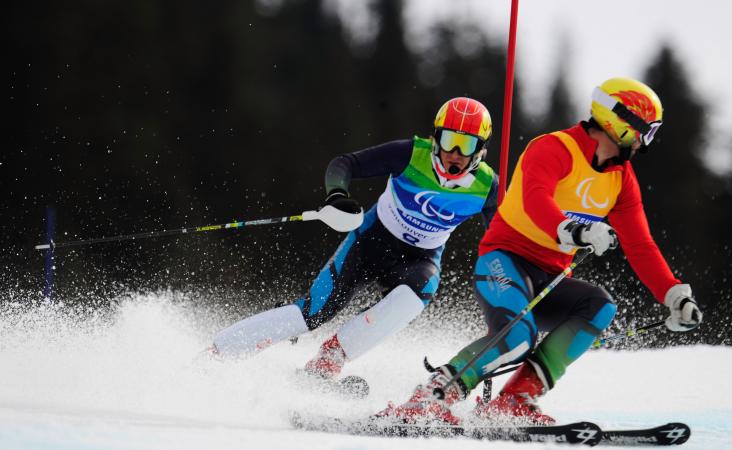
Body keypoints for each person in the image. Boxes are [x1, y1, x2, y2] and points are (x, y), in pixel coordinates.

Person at [378, 77, 704, 426]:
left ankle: (516, 399)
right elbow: (536, 198)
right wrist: (574, 230)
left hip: (550, 276)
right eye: (646, 131)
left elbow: (640, 244)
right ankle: (430, 398)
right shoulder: (554, 148)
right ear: (620, 122)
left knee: (598, 307)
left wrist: (672, 294)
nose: (645, 142)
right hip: (504, 261)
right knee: (518, 337)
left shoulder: (621, 179)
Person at [211, 97, 499, 383]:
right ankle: (217, 354)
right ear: (435, 137)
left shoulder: (487, 187)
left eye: (468, 144)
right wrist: (337, 195)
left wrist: (503, 268)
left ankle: (328, 361)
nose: (456, 153)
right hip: (371, 243)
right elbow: (344, 164)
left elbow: (501, 239)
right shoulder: (411, 155)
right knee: (311, 314)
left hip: (419, 260)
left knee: (417, 295)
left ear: (481, 150)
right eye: (449, 139)